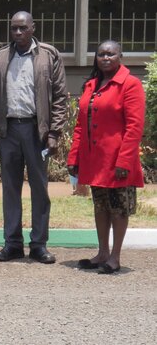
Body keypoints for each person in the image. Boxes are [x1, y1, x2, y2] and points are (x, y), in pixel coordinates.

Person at [0, 11, 67, 264]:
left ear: (33, 28)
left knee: (40, 190)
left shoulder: (48, 55)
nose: (18, 33)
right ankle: (12, 244)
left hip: (36, 131)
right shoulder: (0, 58)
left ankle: (39, 244)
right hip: (8, 131)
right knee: (10, 190)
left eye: (22, 28)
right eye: (13, 28)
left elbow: (61, 96)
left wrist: (54, 132)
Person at [68, 41, 145, 274]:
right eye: (101, 54)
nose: (105, 58)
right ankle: (102, 252)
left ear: (120, 56)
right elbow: (81, 124)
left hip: (118, 161)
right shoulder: (91, 85)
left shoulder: (130, 84)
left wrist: (124, 161)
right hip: (95, 161)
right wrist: (74, 157)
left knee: (118, 208)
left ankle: (115, 257)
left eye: (111, 54)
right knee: (100, 206)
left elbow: (134, 127)